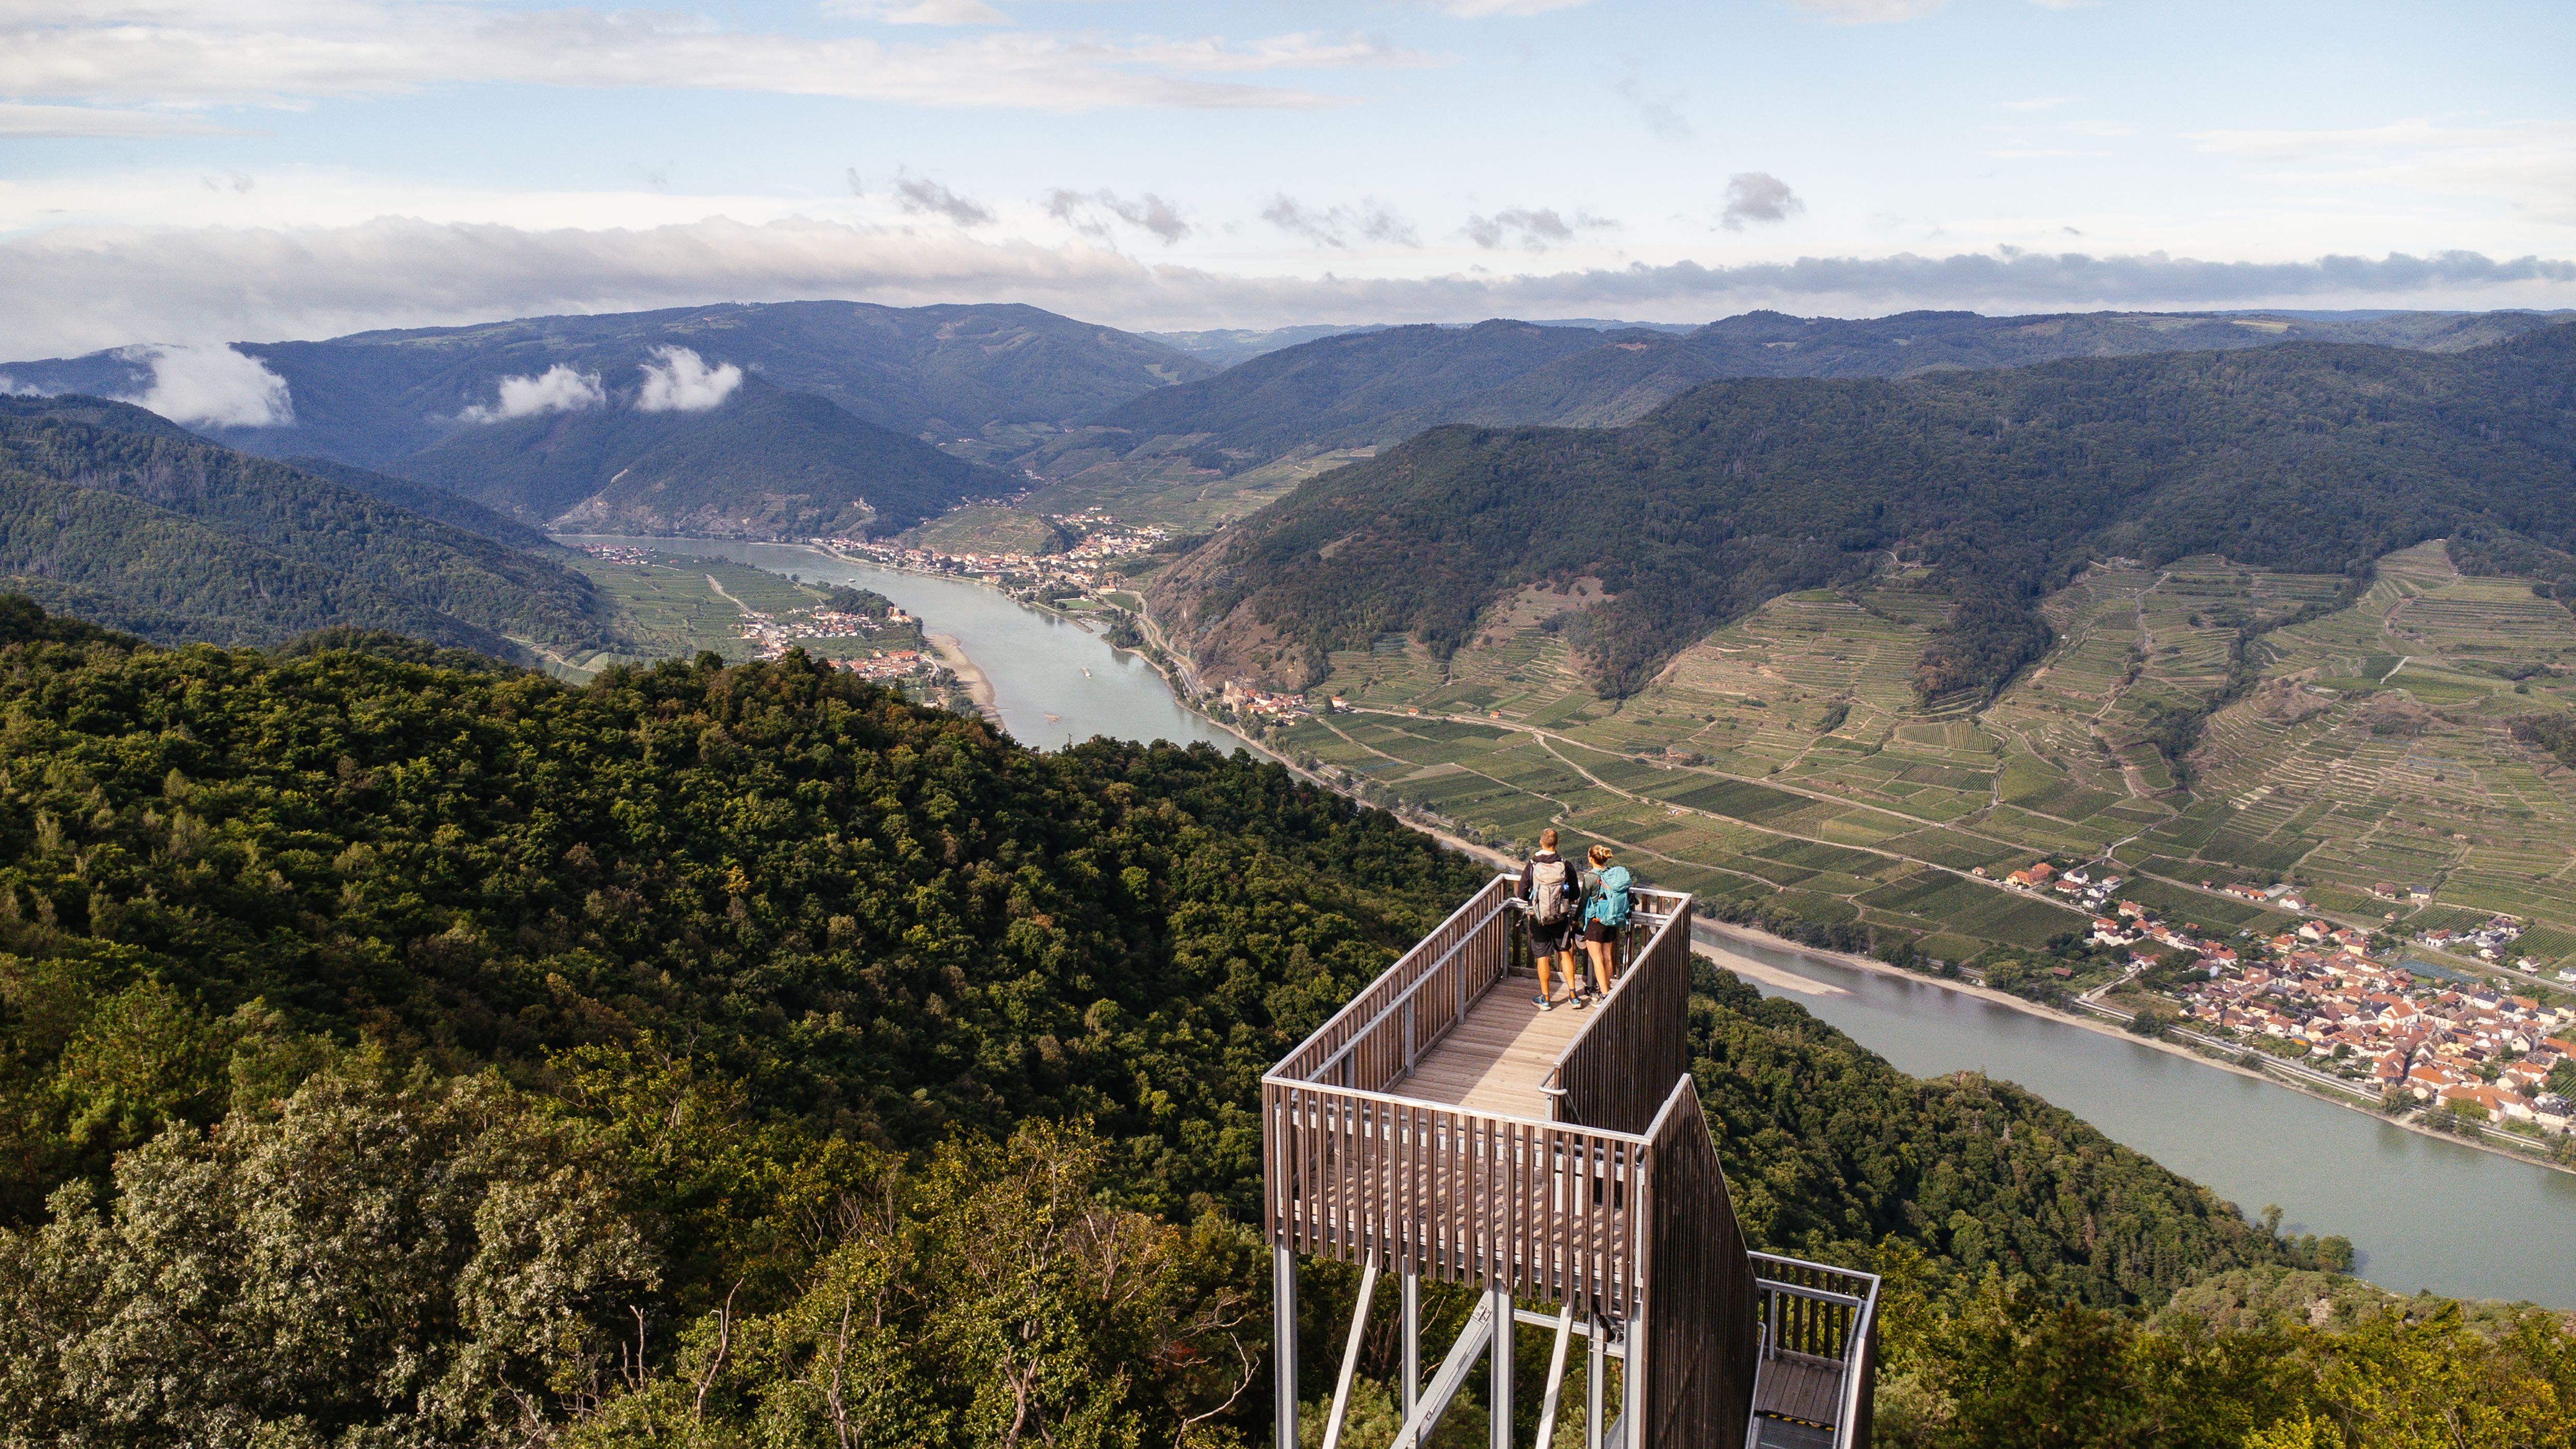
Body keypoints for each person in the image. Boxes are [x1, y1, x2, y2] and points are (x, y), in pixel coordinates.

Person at [1517, 828, 1584, 1010]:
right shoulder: (1565, 864)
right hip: (1561, 917)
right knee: (1565, 953)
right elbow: (1575, 893)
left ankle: (1545, 999)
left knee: (1543, 957)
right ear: (1557, 843)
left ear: (1541, 842)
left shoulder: (1532, 865)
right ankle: (1574, 996)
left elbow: (1522, 894)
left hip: (1539, 919)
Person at [1577, 843, 1633, 1000]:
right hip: (1612, 920)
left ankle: (1604, 994)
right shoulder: (1611, 875)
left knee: (1597, 959)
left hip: (1596, 921)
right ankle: (1605, 987)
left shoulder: (1591, 877)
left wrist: (1575, 920)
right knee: (1607, 956)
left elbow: (1583, 902)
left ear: (1591, 858)